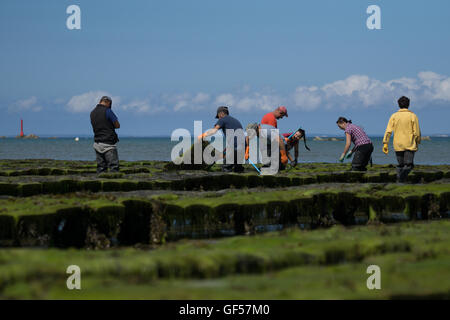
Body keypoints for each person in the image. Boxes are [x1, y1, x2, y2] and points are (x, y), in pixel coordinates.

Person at [383, 96, 421, 183]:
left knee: (400, 165)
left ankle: (399, 181)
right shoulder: (413, 116)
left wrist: (385, 143)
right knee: (409, 165)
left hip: (398, 144)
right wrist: (418, 141)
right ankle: (401, 180)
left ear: (398, 105)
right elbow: (417, 132)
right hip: (409, 144)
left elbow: (388, 131)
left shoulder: (394, 116)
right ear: (408, 105)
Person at [198, 106, 245, 173]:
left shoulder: (223, 119)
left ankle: (227, 182)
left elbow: (214, 131)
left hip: (234, 146)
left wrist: (202, 135)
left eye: (218, 117)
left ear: (221, 114)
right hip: (242, 147)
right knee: (238, 168)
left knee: (226, 167)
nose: (218, 119)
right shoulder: (235, 121)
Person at [90, 96, 120, 173]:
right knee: (114, 167)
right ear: (108, 103)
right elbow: (117, 125)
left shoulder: (92, 112)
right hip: (108, 143)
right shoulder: (108, 111)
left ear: (100, 101)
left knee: (101, 167)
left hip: (97, 143)